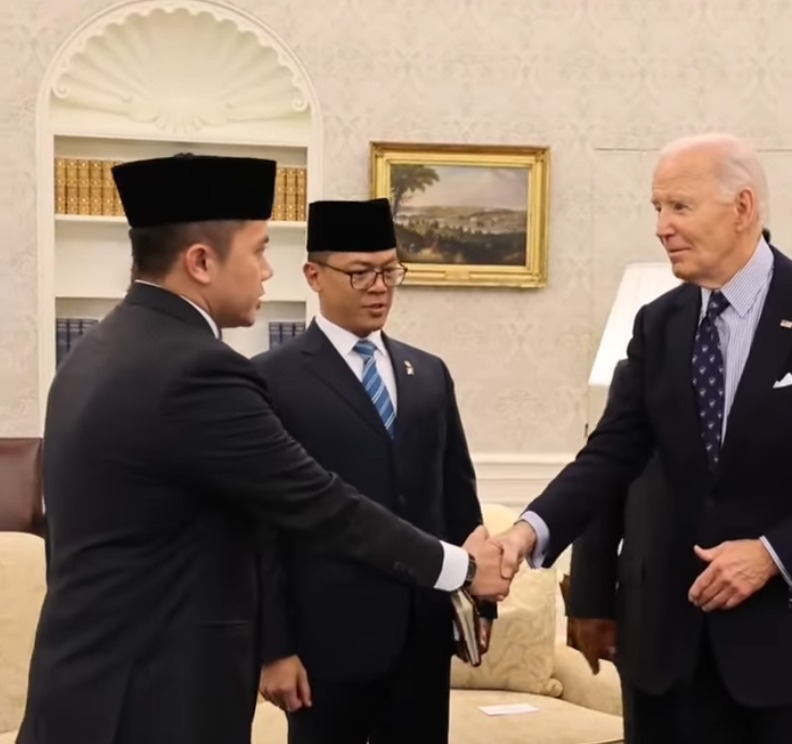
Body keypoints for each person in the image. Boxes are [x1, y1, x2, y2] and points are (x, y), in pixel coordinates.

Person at [16, 155, 510, 744]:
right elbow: (321, 504)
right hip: (152, 701)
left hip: (85, 691)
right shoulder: (197, 370)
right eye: (257, 251)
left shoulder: (95, 352)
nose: (266, 272)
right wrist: (463, 567)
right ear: (201, 262)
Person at [495, 133, 792, 744]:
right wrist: (528, 531)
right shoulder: (660, 323)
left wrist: (772, 553)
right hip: (669, 658)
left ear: (742, 209)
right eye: (656, 208)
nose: (662, 227)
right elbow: (610, 454)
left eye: (679, 207)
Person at [251, 198, 496, 744]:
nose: (379, 286)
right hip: (325, 643)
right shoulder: (270, 380)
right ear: (314, 275)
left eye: (390, 270)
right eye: (360, 272)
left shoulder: (428, 374)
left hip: (422, 634)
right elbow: (263, 528)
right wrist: (274, 647)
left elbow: (458, 498)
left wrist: (477, 602)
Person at [566, 360, 669, 744]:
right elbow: (603, 485)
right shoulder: (640, 369)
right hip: (651, 618)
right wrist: (591, 603)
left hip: (764, 617)